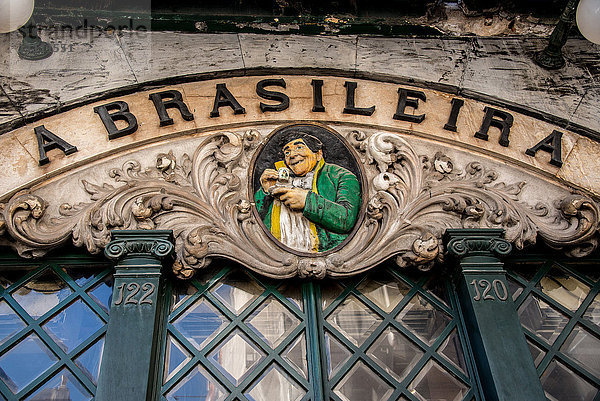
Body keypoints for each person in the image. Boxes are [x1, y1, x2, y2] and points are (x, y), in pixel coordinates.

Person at [255, 131, 361, 252]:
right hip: (274, 256)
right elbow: (254, 222)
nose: (292, 155)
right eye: (287, 152)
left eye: (299, 147)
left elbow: (346, 220)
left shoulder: (341, 176)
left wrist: (307, 201)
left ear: (318, 154)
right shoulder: (278, 180)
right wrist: (265, 192)